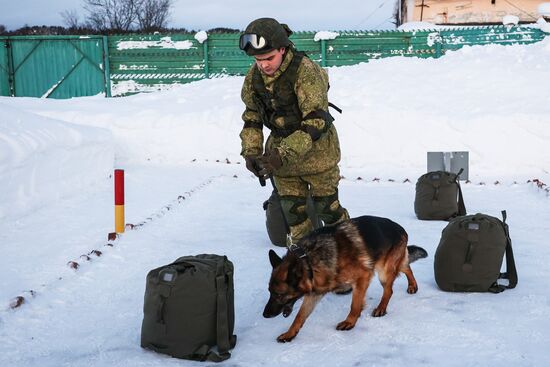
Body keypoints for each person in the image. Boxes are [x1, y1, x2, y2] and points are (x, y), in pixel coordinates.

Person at [238, 17, 349, 244]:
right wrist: (251, 152)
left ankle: (351, 256)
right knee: (295, 217)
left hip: (318, 156)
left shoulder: (306, 71)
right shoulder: (254, 77)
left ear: (283, 48)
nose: (263, 65)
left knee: (329, 211)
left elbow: (315, 122)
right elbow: (252, 115)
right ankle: (306, 263)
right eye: (258, 60)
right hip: (281, 161)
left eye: (269, 58)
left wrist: (283, 154)